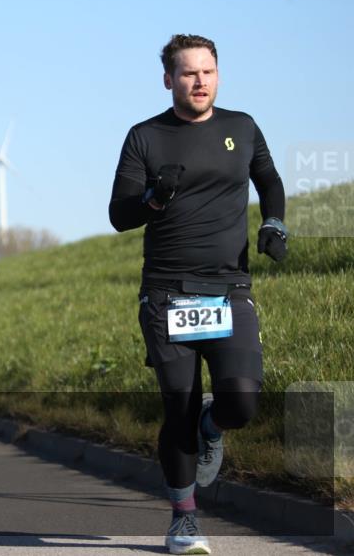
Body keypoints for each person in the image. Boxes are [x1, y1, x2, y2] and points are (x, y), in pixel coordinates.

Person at [108, 34, 287, 555]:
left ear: (218, 74)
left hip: (229, 289)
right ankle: (184, 518)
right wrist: (152, 198)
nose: (199, 81)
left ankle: (216, 424)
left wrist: (274, 223)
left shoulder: (242, 126)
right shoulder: (145, 137)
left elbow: (269, 180)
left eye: (207, 71)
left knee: (243, 401)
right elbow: (120, 216)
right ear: (169, 80)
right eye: (188, 73)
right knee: (178, 407)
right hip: (167, 294)